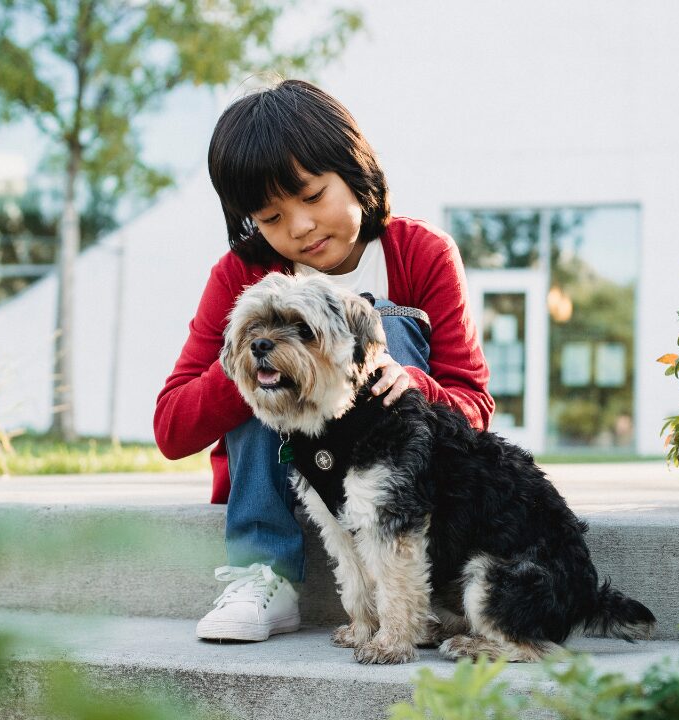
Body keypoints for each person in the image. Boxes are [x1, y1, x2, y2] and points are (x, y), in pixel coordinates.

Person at [154, 79, 493, 642]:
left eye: (312, 197)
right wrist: (257, 354)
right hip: (285, 483)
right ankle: (262, 571)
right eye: (270, 217)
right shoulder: (241, 276)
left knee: (380, 319)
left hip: (394, 496)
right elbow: (171, 428)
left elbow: (474, 408)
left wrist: (410, 384)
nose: (300, 228)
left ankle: (404, 583)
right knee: (266, 350)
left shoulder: (421, 254)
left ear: (356, 172)